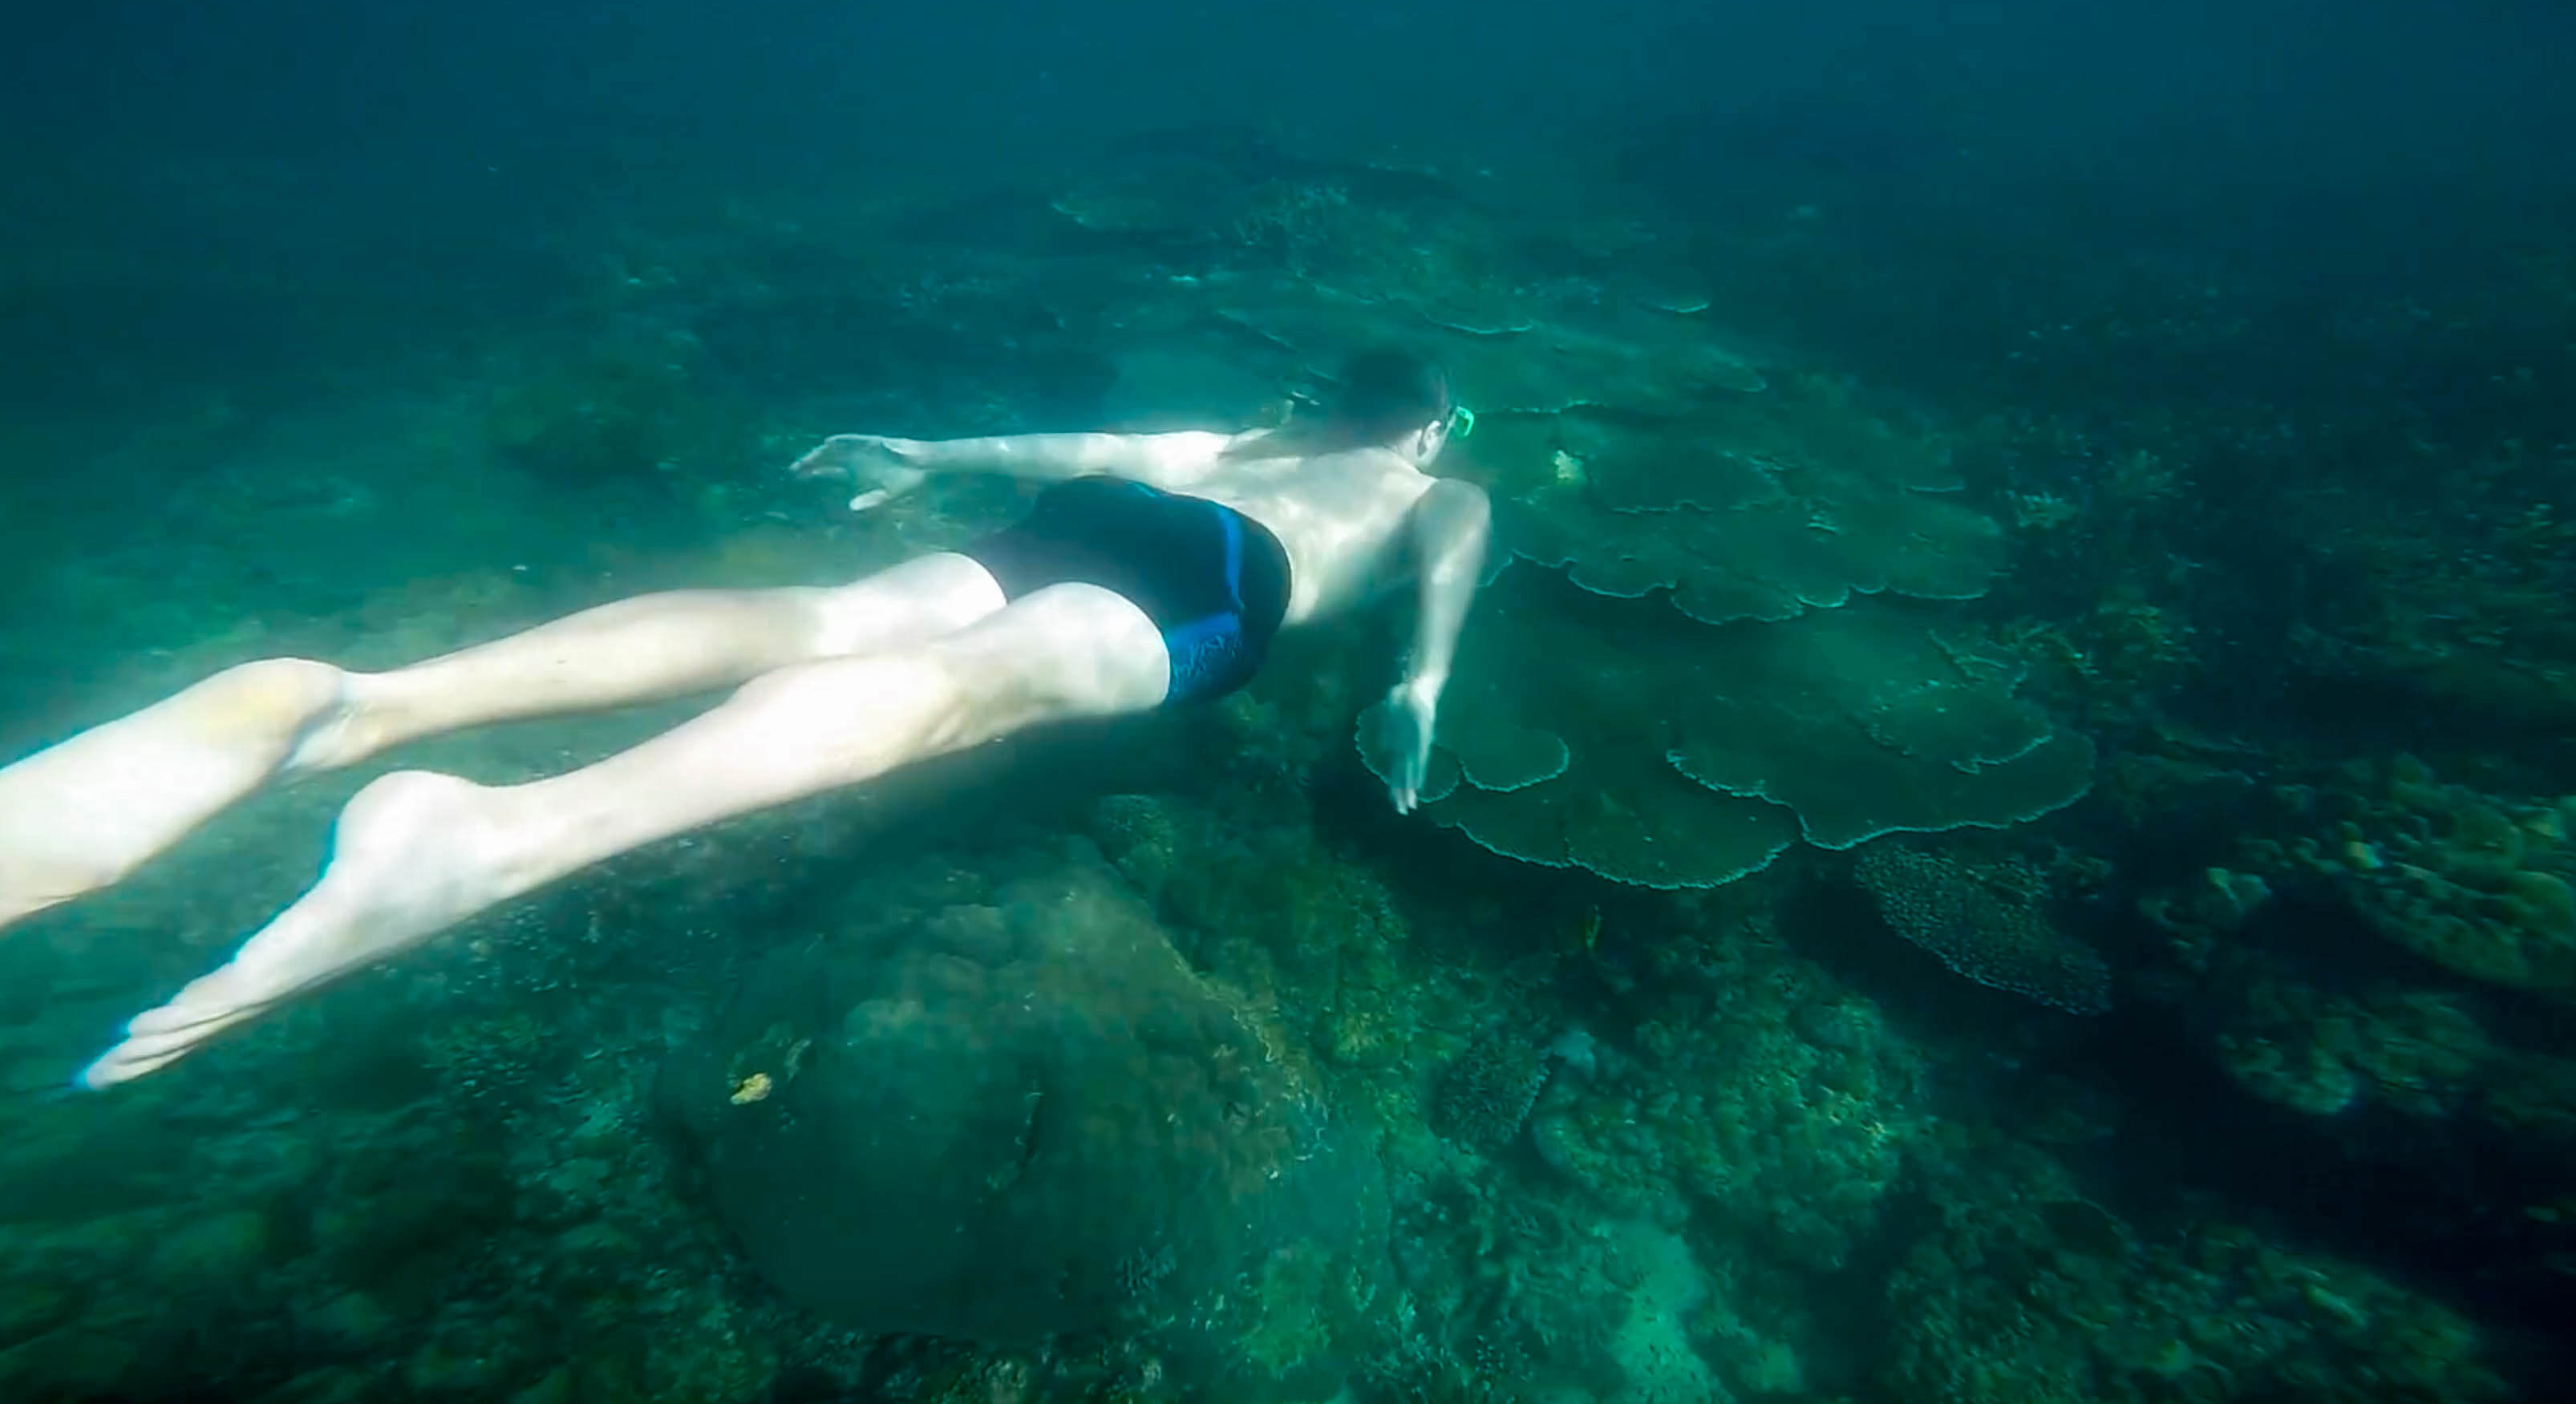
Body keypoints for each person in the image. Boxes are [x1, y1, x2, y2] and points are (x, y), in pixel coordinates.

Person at [0, 348, 1490, 1089]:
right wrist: (1416, 693)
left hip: (1116, 512)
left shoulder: (1242, 429)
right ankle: (495, 834)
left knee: (829, 620)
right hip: (1235, 580)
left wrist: (924, 452)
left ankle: (362, 704)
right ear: (1421, 429)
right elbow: (1439, 593)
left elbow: (1085, 443)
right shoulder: (1437, 486)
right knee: (946, 700)